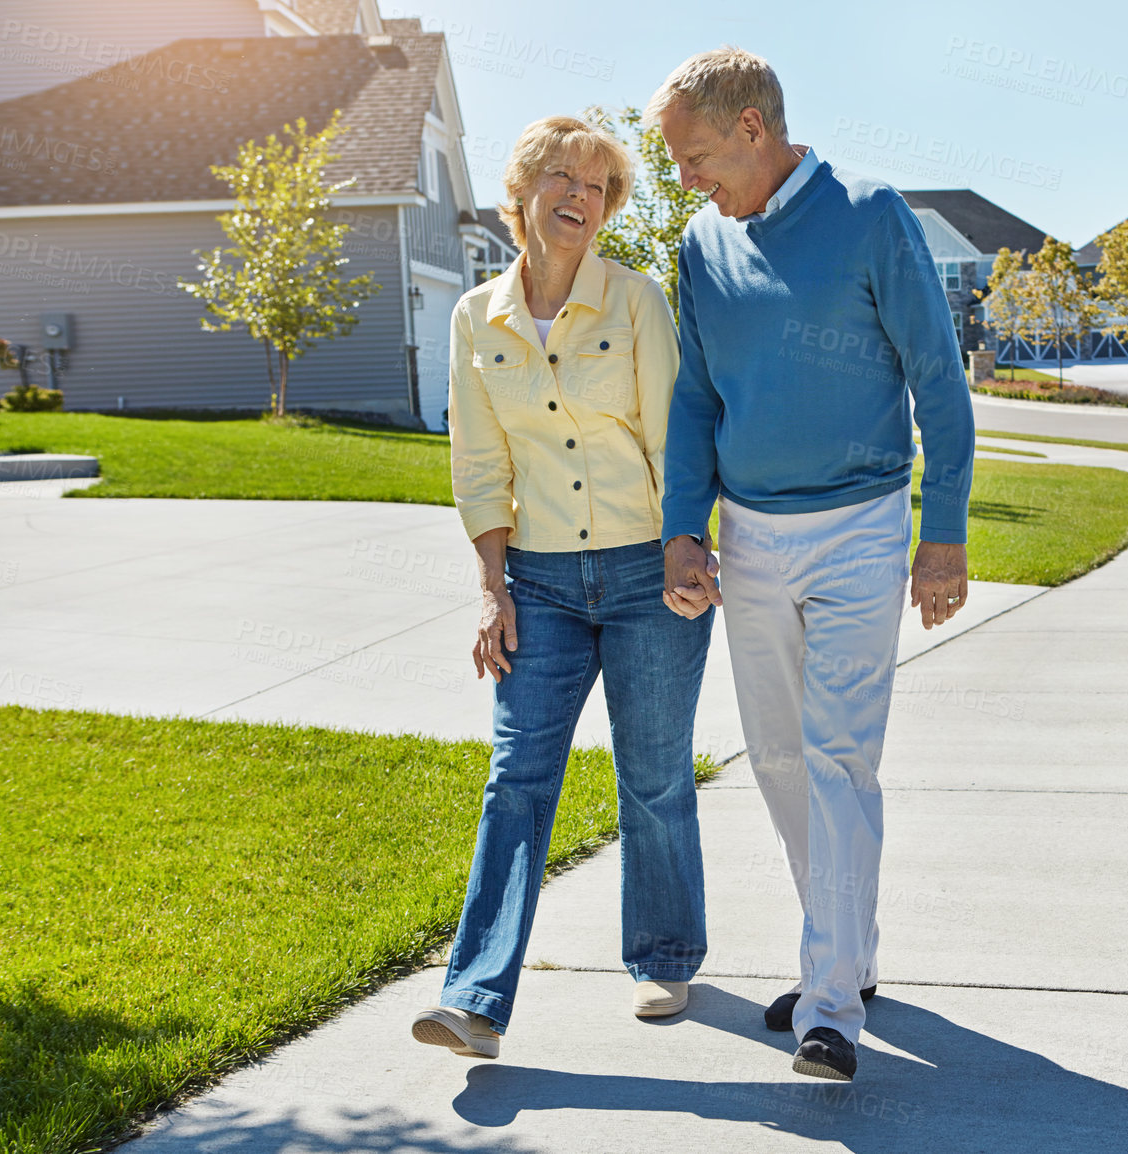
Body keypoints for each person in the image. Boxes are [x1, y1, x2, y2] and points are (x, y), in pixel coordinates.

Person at [649, 47, 975, 1083]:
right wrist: (681, 526)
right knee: (780, 760)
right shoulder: (701, 246)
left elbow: (938, 377)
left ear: (752, 128)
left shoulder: (872, 216)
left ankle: (828, 1005)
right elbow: (696, 397)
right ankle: (852, 953)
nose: (685, 180)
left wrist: (944, 530)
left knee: (837, 756)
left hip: (862, 527)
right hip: (746, 538)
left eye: (695, 156)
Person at [410, 115, 713, 1061]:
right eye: (560, 176)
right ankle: (475, 1000)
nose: (578, 195)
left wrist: (684, 543)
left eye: (597, 184)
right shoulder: (474, 317)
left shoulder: (636, 303)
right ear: (523, 191)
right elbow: (478, 461)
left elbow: (676, 433)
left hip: (642, 569)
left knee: (654, 774)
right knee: (517, 778)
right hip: (536, 582)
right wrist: (493, 588)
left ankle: (662, 953)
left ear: (610, 207)